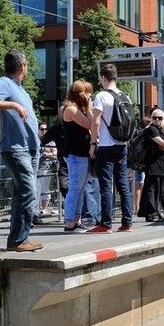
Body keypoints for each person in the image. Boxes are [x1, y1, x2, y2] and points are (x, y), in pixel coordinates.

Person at [0, 50, 43, 252]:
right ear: (23, 66)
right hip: (17, 149)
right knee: (28, 191)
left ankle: (18, 239)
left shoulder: (19, 87)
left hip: (30, 148)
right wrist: (13, 105)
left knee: (22, 193)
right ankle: (18, 239)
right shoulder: (5, 83)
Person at [88, 64, 134, 233]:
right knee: (122, 184)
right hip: (122, 145)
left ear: (104, 78)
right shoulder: (125, 96)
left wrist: (93, 143)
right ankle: (127, 222)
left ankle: (106, 224)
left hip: (106, 145)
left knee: (106, 185)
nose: (100, 81)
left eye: (101, 78)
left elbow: (96, 121)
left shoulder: (101, 96)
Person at [62, 80, 94, 233]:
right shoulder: (70, 110)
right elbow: (90, 124)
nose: (89, 95)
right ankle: (69, 222)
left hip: (82, 154)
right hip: (76, 155)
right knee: (75, 188)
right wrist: (89, 107)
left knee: (80, 189)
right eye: (87, 92)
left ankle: (76, 220)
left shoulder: (78, 109)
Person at [139, 109, 164, 222]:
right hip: (153, 164)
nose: (157, 120)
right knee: (152, 189)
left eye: (160, 118)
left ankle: (157, 213)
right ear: (152, 118)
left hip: (161, 164)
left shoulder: (160, 130)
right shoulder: (151, 130)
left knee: (158, 189)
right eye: (155, 118)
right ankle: (151, 213)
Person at [40, 107, 68, 212]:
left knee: (68, 186)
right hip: (66, 161)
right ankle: (71, 213)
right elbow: (43, 140)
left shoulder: (59, 127)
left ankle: (76, 214)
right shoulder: (57, 128)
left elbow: (44, 140)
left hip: (72, 160)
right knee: (65, 186)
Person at [36, 122, 57, 224]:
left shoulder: (50, 141)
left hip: (46, 168)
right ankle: (38, 208)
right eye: (42, 129)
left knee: (44, 188)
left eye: (45, 129)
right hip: (36, 168)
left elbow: (55, 154)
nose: (44, 131)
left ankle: (44, 208)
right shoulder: (35, 140)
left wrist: (47, 154)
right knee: (36, 188)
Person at [132, 117, 151, 215]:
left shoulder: (137, 132)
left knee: (138, 184)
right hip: (147, 160)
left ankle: (137, 208)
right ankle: (145, 206)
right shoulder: (148, 132)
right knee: (147, 184)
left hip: (138, 160)